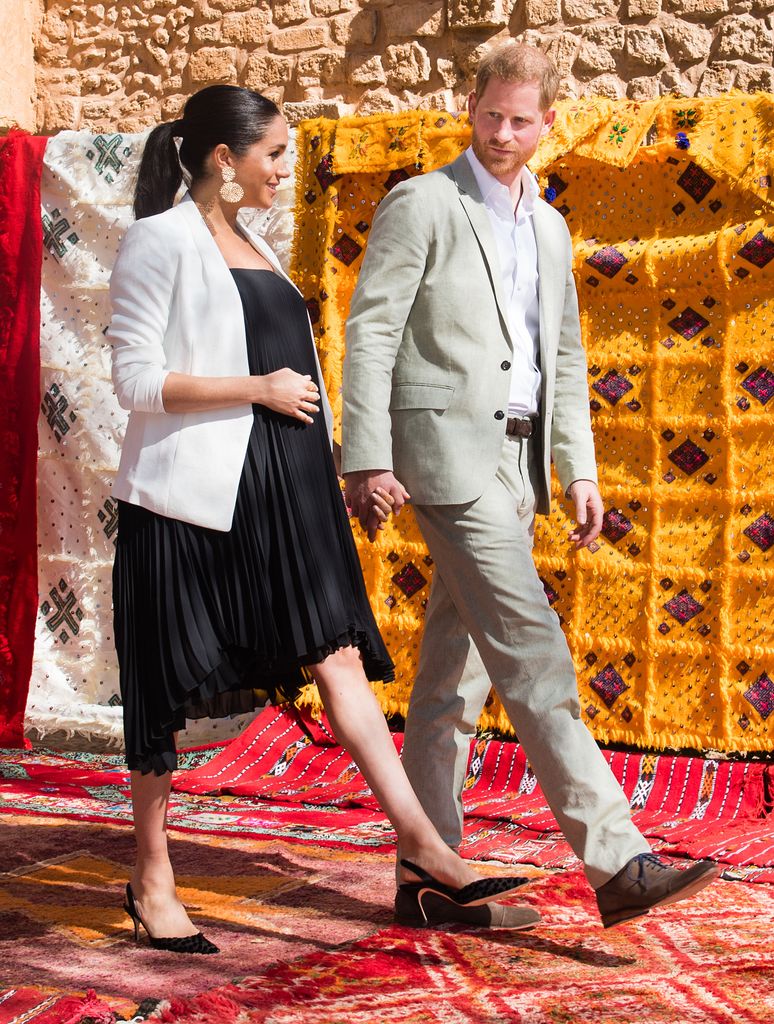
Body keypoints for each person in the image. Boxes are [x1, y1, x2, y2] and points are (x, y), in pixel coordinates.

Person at [108, 84, 536, 955]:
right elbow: (135, 382)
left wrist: (344, 469)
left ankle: (421, 850)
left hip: (287, 488)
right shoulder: (160, 240)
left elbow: (290, 363)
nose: (284, 170)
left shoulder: (260, 245)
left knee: (339, 659)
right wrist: (256, 391)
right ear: (225, 161)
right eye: (273, 155)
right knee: (163, 687)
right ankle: (151, 877)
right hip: (194, 496)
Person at [343, 42, 720, 930]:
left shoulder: (549, 227)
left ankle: (425, 871)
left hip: (516, 468)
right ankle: (617, 858)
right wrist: (364, 455)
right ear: (470, 106)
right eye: (491, 116)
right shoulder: (424, 203)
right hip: (442, 458)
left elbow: (562, 355)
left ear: (549, 124)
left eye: (521, 120)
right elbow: (370, 330)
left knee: (451, 684)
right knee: (535, 655)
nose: (503, 133)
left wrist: (577, 468)